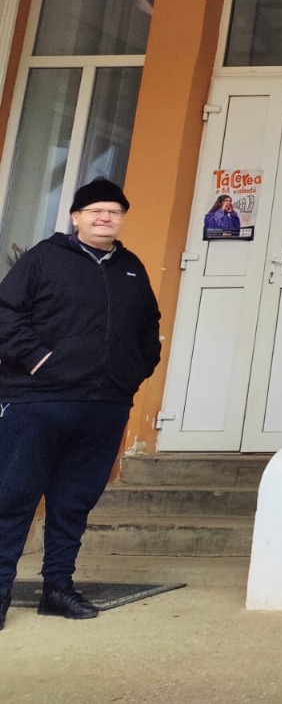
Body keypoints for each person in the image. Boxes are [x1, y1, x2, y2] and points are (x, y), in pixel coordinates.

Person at [0, 178, 161, 629]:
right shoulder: (42, 259)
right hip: (37, 403)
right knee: (11, 498)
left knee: (73, 503)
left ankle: (57, 589)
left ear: (121, 219)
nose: (105, 217)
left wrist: (132, 372)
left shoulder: (132, 268)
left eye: (114, 211)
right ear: (76, 217)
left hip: (104, 406)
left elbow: (149, 327)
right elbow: (5, 314)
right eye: (95, 210)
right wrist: (37, 360)